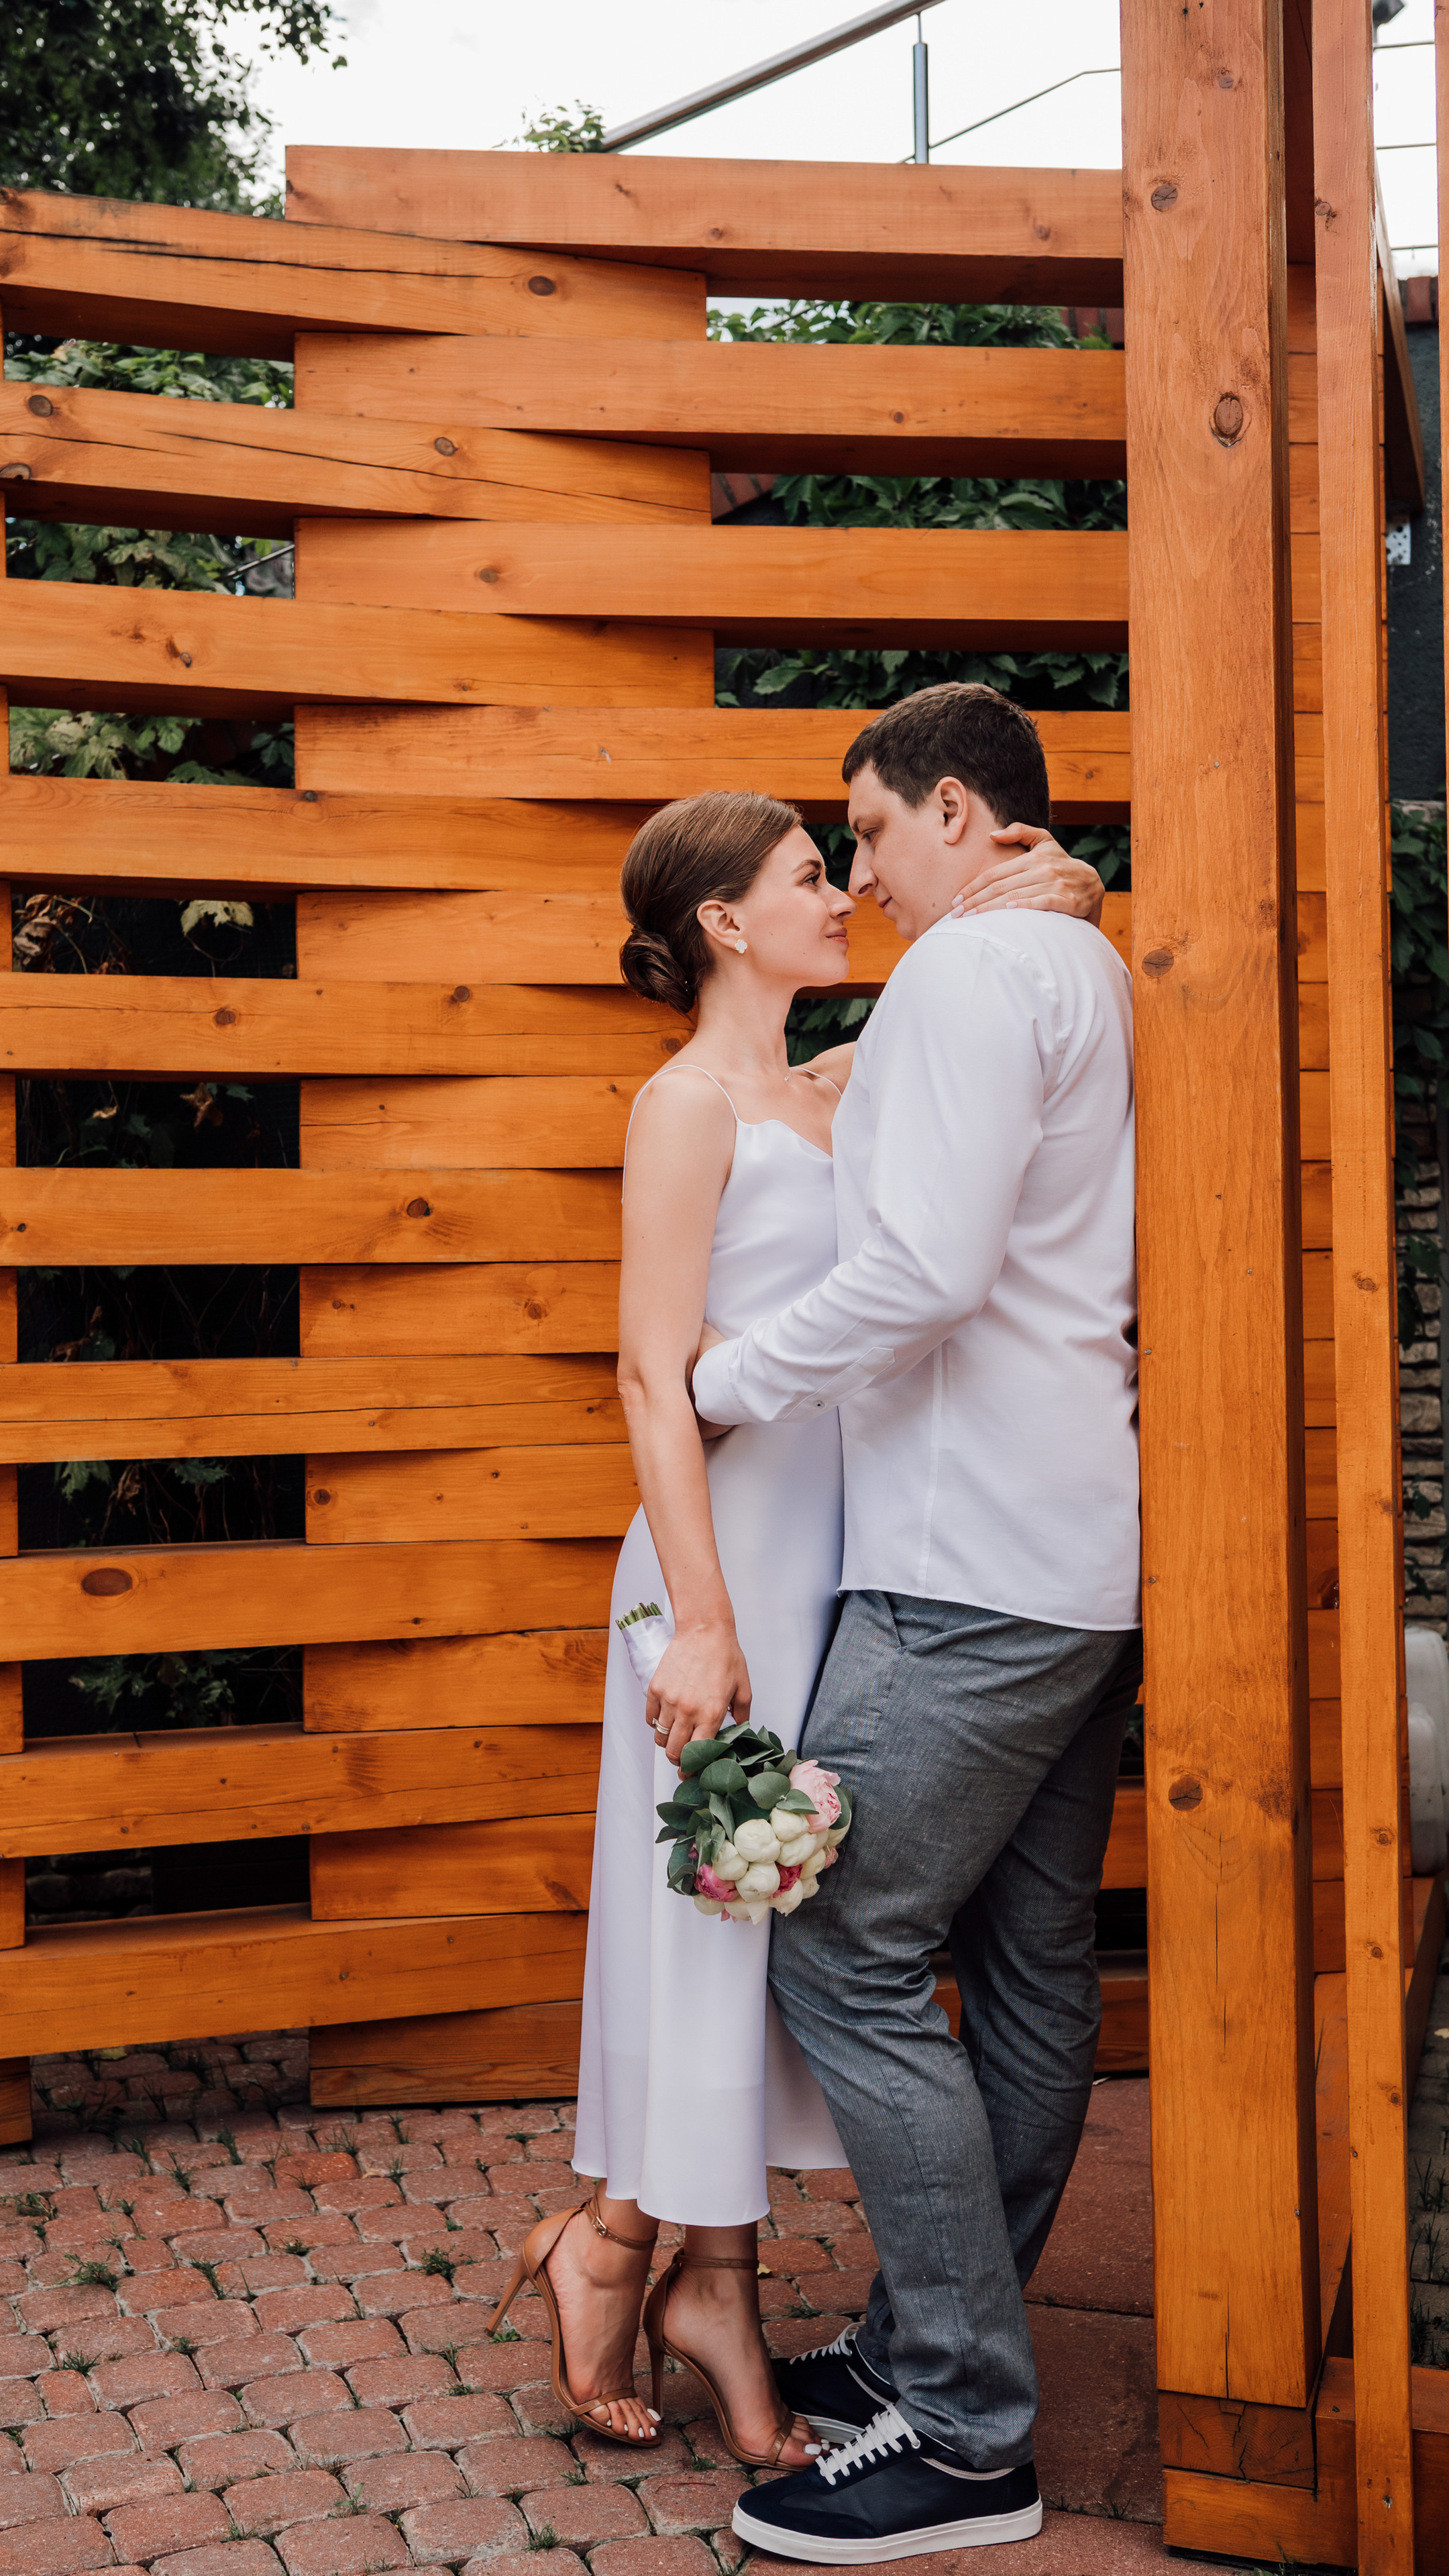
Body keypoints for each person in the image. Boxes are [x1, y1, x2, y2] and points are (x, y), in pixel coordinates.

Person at [487, 756, 1108, 2479]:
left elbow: (979, 992)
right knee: (713, 1929)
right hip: (716, 1570)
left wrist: (1052, 887)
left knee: (769, 1936)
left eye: (847, 860)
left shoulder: (843, 1078)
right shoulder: (681, 1105)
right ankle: (660, 2275)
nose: (840, 889)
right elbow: (645, 1372)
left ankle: (655, 2262)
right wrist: (696, 1617)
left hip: (848, 1563)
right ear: (719, 921)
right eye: (801, 874)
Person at [686, 685, 1143, 2565]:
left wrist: (728, 1376)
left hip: (962, 1568)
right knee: (1030, 1970)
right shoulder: (1060, 962)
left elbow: (928, 1271)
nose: (858, 872)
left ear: (960, 812)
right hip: (1074, 1559)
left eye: (869, 830)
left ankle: (963, 2426)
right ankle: (926, 2355)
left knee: (844, 1944)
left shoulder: (973, 972)